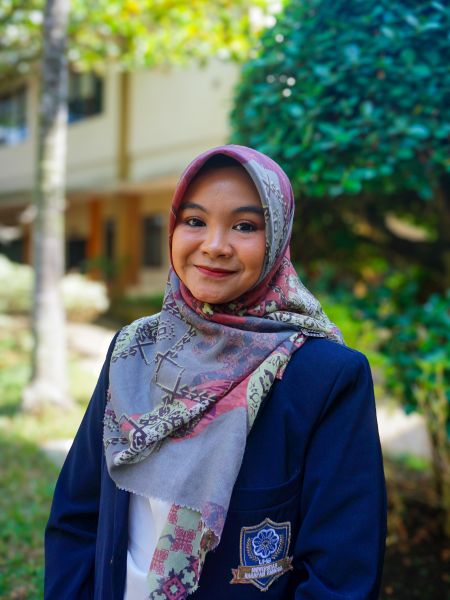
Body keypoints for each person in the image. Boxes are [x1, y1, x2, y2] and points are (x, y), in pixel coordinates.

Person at [45, 145, 386, 600]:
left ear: (278, 238)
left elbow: (340, 575)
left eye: (245, 226)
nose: (214, 245)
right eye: (194, 220)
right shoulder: (133, 350)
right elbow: (76, 516)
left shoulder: (324, 377)